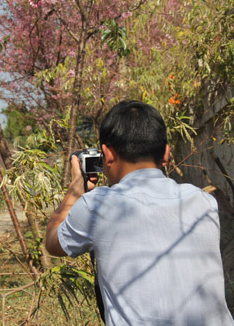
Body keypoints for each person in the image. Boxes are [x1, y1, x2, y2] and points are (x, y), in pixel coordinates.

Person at [45, 100, 234, 325]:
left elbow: (53, 242)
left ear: (107, 155)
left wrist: (75, 191)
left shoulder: (97, 205)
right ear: (166, 154)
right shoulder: (203, 202)